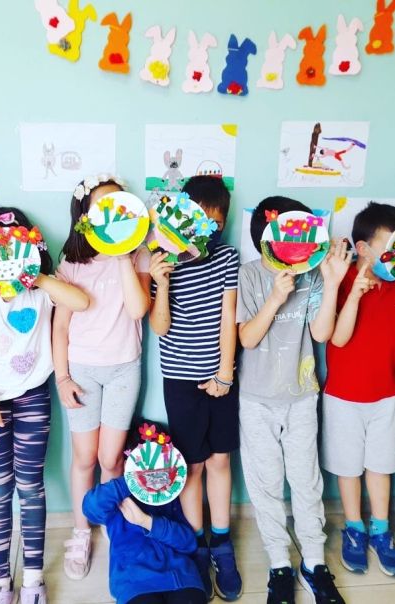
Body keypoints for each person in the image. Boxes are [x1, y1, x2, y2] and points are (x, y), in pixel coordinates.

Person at [0, 207, 89, 604]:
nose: (5, 256)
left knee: (30, 486)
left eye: (14, 246)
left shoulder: (40, 289)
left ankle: (33, 577)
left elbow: (81, 301)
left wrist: (36, 274)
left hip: (33, 394)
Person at [237, 196, 349, 604]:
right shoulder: (249, 275)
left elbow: (321, 334)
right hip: (256, 399)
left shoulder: (313, 274)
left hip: (301, 396)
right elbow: (247, 338)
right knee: (266, 484)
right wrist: (274, 298)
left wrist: (332, 282)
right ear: (267, 238)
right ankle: (279, 564)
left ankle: (314, 562)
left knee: (306, 480)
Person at [148, 175, 242, 601]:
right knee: (193, 465)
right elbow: (160, 326)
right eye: (199, 220)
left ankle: (221, 542)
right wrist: (163, 281)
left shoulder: (227, 258)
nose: (207, 228)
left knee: (221, 459)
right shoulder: (163, 259)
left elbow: (228, 318)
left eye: (216, 222)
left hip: (221, 377)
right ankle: (196, 544)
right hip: (180, 379)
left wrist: (225, 374)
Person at [321, 203, 395, 577]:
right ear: (363, 248)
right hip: (343, 396)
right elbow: (337, 338)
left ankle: (381, 530)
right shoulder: (341, 280)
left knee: (381, 466)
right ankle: (354, 528)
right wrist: (353, 294)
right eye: (390, 244)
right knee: (348, 468)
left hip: (387, 396)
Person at [54, 175, 151, 580]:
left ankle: (113, 524)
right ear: (85, 216)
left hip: (124, 368)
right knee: (85, 458)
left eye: (119, 205)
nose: (113, 213)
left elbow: (138, 309)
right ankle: (81, 532)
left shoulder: (138, 255)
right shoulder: (72, 263)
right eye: (103, 208)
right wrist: (63, 378)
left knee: (111, 459)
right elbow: (60, 327)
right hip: (82, 370)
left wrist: (123, 255)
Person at [82, 422, 206, 604]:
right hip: (135, 585)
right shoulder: (117, 503)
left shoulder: (171, 498)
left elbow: (188, 543)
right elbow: (90, 508)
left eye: (157, 467)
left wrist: (147, 522)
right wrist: (131, 482)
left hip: (182, 580)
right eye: (146, 467)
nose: (152, 474)